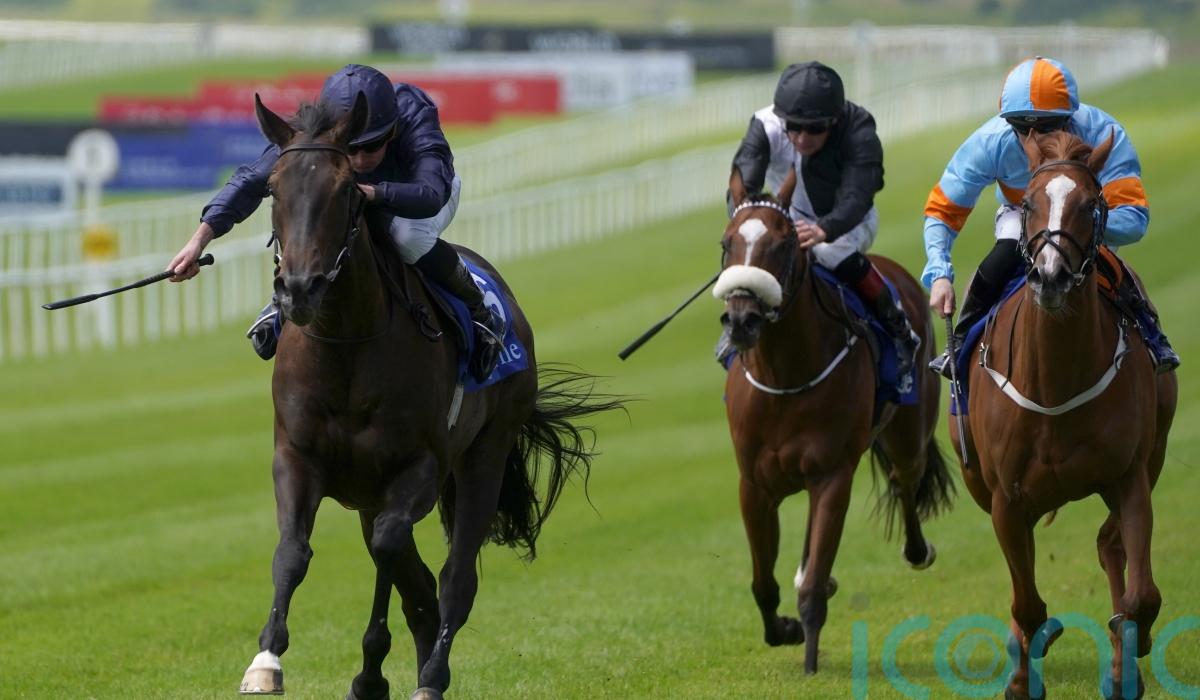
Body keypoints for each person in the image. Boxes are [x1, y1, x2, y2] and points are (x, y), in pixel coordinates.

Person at [167, 63, 506, 382]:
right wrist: (199, 240)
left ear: (392, 131)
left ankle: (478, 308)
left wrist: (373, 193)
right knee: (317, 217)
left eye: (371, 147)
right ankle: (283, 300)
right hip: (352, 194)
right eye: (351, 148)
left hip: (423, 197)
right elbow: (250, 181)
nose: (360, 159)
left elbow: (431, 192)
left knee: (405, 237)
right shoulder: (314, 131)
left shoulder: (413, 113)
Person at [924, 56, 1179, 376]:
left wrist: (1083, 223)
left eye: (1047, 127)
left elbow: (1133, 218)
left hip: (1082, 217)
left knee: (1109, 266)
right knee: (1000, 257)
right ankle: (960, 344)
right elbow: (943, 211)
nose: (1034, 139)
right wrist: (940, 274)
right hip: (1022, 213)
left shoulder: (1103, 134)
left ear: (1069, 118)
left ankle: (1153, 337)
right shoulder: (989, 143)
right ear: (1008, 122)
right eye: (1021, 127)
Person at [723, 60, 919, 378]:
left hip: (847, 222)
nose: (802, 138)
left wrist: (824, 229)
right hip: (785, 219)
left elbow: (858, 195)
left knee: (829, 252)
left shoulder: (858, 129)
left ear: (835, 119)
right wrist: (747, 223)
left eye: (814, 129)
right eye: (793, 127)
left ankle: (898, 329)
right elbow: (744, 186)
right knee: (753, 252)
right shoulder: (765, 125)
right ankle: (738, 324)